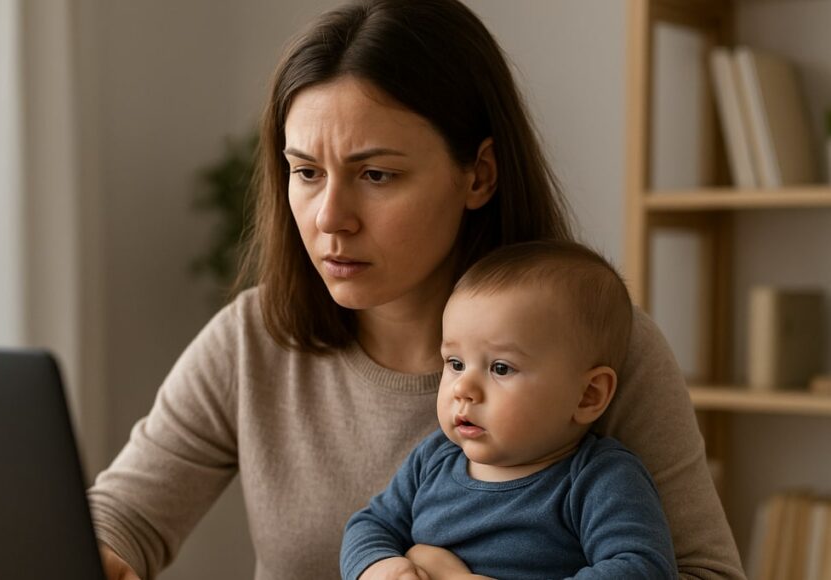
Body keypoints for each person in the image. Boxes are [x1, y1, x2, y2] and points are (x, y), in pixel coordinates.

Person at [89, 1, 745, 579]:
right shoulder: (253, 337)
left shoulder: (599, 349)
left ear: (478, 175)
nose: (329, 218)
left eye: (375, 175)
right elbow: (124, 514)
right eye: (306, 172)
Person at [340, 240, 678, 580]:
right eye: (455, 363)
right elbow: (371, 525)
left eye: (501, 368)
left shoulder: (598, 479)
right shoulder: (432, 461)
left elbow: (642, 568)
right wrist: (380, 567)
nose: (463, 388)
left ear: (587, 395)